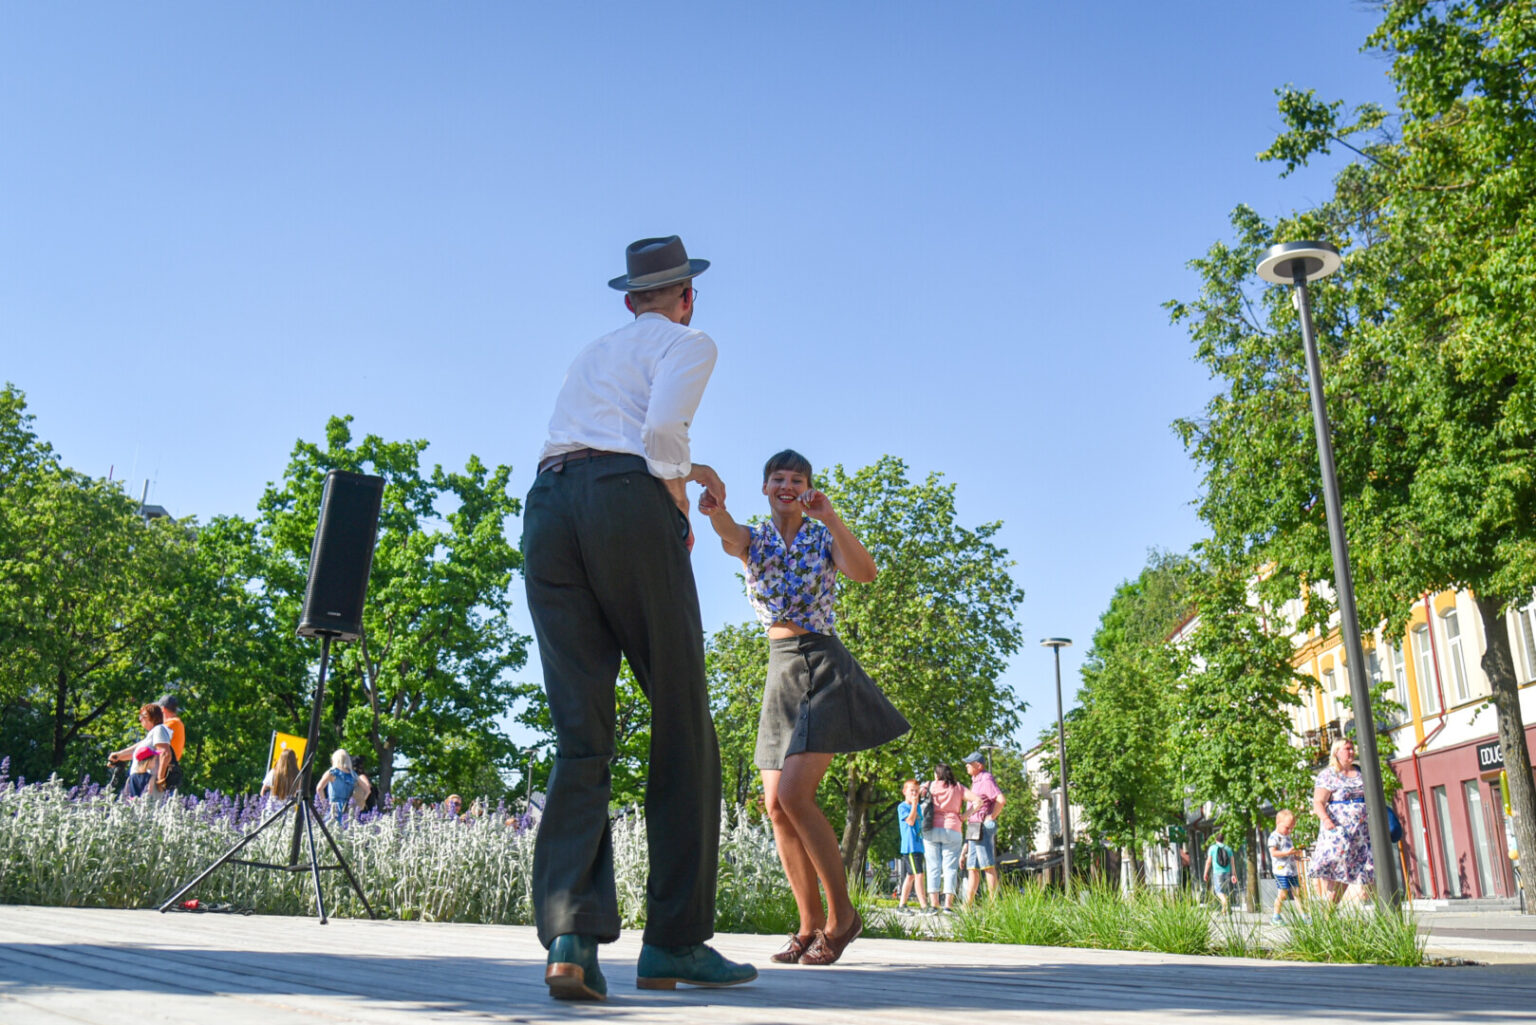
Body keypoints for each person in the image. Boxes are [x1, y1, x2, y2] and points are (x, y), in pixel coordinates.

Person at [523, 236, 753, 1000]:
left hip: (550, 508)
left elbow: (618, 435)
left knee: (583, 731)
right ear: (688, 296)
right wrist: (678, 492)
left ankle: (571, 935)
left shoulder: (595, 351)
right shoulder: (691, 340)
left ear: (631, 299)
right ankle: (674, 940)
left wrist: (686, 467)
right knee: (683, 717)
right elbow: (657, 438)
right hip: (627, 500)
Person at [700, 448, 910, 965]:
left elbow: (866, 573)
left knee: (795, 795)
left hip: (821, 664)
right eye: (779, 478)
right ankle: (809, 925)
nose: (787, 485)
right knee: (775, 807)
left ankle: (843, 920)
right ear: (766, 487)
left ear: (808, 488)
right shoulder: (754, 539)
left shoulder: (821, 535)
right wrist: (713, 508)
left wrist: (832, 517)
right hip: (779, 668)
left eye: (797, 479)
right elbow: (728, 533)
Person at [1310, 737, 1374, 903]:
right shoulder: (1328, 775)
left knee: (1369, 870)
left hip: (1362, 832)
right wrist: (1326, 820)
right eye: (1347, 748)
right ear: (1336, 752)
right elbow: (1318, 802)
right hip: (1340, 832)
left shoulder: (1361, 772)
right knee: (1339, 873)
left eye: (1352, 748)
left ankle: (1383, 914)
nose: (1351, 751)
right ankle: (1328, 914)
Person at [922, 764, 972, 913]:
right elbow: (978, 801)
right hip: (953, 828)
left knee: (933, 866)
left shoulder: (929, 785)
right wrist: (964, 816)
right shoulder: (958, 787)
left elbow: (915, 795)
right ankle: (948, 905)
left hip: (931, 828)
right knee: (950, 868)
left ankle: (934, 904)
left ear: (937, 775)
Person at [960, 751, 1007, 906]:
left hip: (981, 826)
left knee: (987, 865)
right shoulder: (975, 781)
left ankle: (993, 905)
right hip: (973, 826)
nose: (966, 765)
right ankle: (968, 905)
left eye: (969, 763)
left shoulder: (986, 779)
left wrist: (991, 816)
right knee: (972, 867)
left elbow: (1001, 799)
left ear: (978, 765)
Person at [107, 704, 173, 801]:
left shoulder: (159, 730)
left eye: (143, 716)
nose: (140, 719)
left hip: (149, 781)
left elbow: (165, 753)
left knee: (146, 811)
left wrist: (160, 779)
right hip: (139, 780)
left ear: (153, 717)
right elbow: (136, 753)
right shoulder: (151, 736)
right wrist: (119, 755)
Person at [895, 779, 930, 913]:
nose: (915, 794)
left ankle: (901, 905)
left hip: (918, 845)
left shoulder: (918, 808)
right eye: (912, 791)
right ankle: (924, 907)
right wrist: (915, 804)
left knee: (911, 876)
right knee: (919, 875)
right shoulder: (902, 807)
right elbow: (910, 821)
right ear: (904, 792)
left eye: (917, 791)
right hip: (910, 847)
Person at [1268, 808, 1305, 923]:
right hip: (1281, 871)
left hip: (1291, 869)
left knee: (1298, 892)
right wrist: (1287, 853)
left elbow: (1290, 853)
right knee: (1283, 894)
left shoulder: (1288, 837)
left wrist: (1297, 856)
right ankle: (1276, 915)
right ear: (1278, 822)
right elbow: (1273, 853)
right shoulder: (1274, 837)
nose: (1289, 831)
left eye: (1292, 828)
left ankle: (1303, 915)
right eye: (1287, 827)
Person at [315, 749, 359, 825]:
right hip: (348, 808)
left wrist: (324, 805)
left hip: (333, 807)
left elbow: (319, 788)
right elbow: (366, 789)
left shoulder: (333, 772)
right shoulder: (353, 775)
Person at [1203, 830, 1236, 913]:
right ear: (1223, 840)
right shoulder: (1228, 849)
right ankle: (1224, 909)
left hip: (1217, 872)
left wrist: (1205, 873)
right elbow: (1232, 863)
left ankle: (1225, 902)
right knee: (1225, 890)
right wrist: (1233, 874)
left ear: (1216, 839)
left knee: (1218, 891)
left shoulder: (1212, 848)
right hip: (1227, 872)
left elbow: (1208, 862)